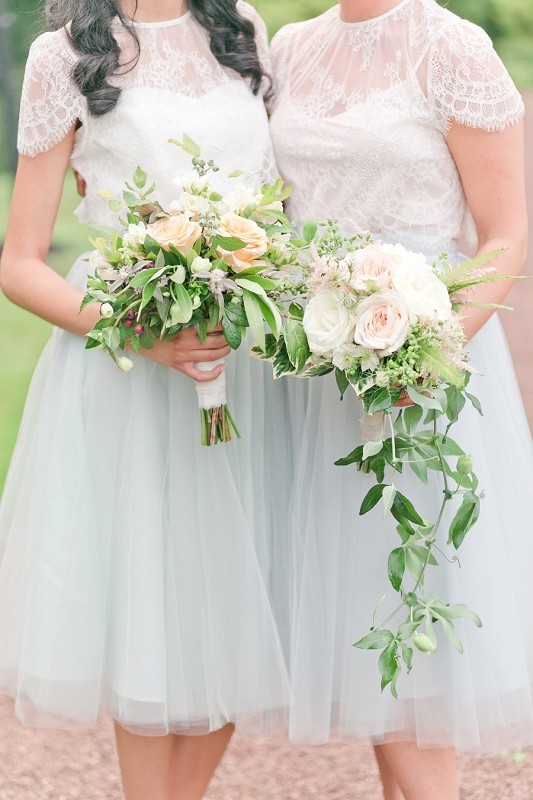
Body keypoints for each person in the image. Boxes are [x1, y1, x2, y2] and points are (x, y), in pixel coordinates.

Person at [0, 1, 290, 798]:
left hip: (246, 354)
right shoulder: (62, 56)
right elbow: (19, 263)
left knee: (257, 617)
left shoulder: (243, 30)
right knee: (152, 623)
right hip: (129, 359)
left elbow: (280, 204)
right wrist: (144, 335)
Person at [269, 1, 533, 798]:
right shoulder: (288, 46)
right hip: (316, 372)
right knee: (365, 650)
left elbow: (504, 232)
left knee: (413, 646)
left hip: (423, 368)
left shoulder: (454, 46)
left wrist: (429, 350)